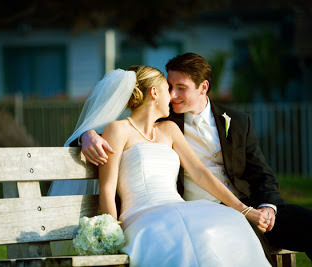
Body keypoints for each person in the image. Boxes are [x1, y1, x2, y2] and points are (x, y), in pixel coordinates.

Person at [76, 53, 312, 259]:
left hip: (233, 206)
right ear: (155, 92)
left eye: (181, 87)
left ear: (203, 87)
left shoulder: (232, 123)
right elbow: (109, 139)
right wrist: (86, 135)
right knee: (221, 237)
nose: (173, 94)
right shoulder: (162, 121)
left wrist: (259, 208)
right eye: (170, 87)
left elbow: (254, 174)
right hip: (181, 213)